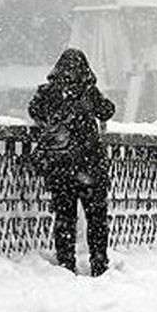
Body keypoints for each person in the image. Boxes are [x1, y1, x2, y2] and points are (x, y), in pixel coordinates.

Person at [27, 48, 116, 276]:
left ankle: (66, 264)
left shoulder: (48, 92)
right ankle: (99, 263)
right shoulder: (88, 92)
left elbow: (34, 110)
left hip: (60, 167)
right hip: (89, 166)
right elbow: (107, 111)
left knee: (64, 219)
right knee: (96, 219)